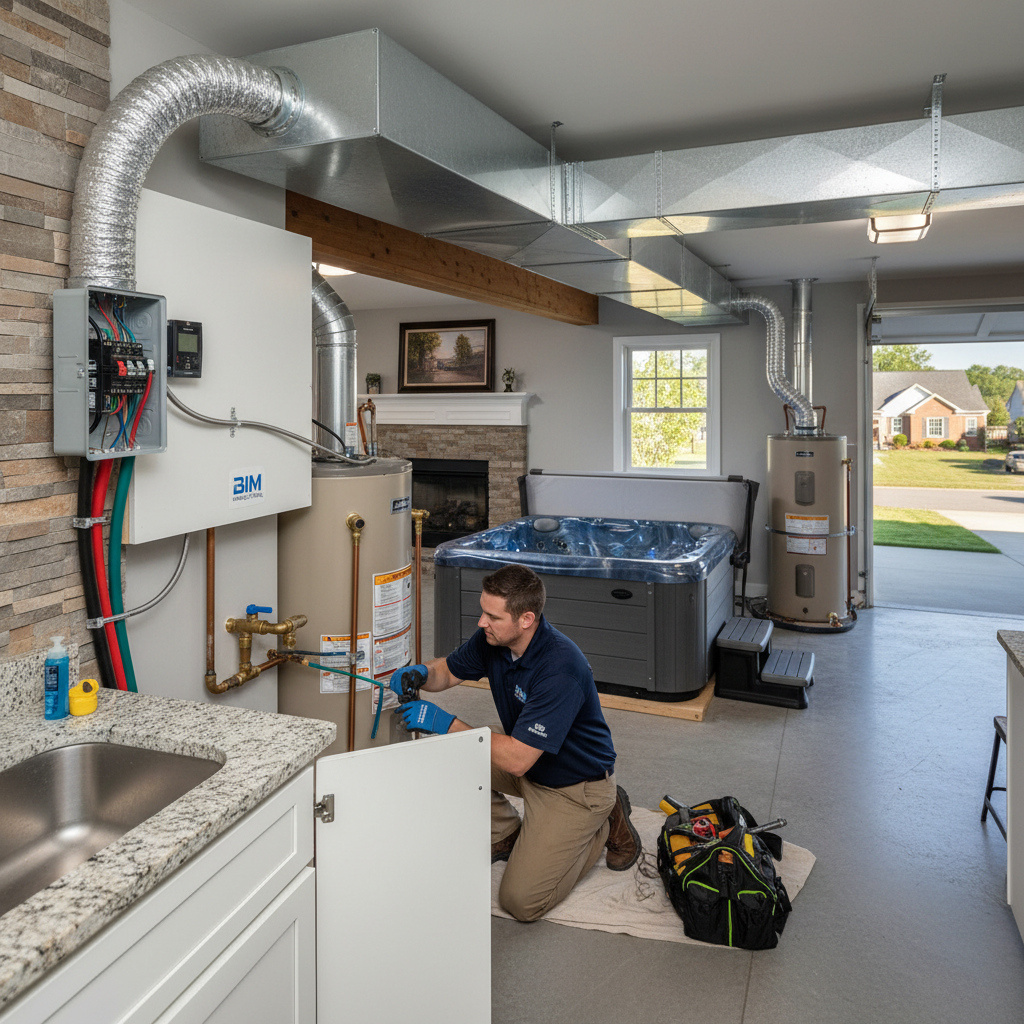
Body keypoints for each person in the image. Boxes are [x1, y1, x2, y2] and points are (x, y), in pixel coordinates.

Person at [389, 563, 641, 923]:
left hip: (574, 786)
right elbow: (449, 670)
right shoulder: (495, 640)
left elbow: (519, 760)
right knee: (444, 754)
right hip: (530, 761)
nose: (481, 622)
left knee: (521, 902)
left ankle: (602, 821)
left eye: (492, 616)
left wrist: (443, 722)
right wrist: (421, 674)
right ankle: (507, 832)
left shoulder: (559, 668)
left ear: (526, 619)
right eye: (482, 612)